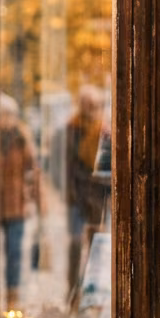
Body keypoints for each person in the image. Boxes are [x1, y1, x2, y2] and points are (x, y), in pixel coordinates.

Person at [0, 94, 40, 307]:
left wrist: (35, 201)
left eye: (10, 115)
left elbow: (33, 171)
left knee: (14, 252)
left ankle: (12, 298)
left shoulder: (22, 138)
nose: (7, 119)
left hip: (16, 204)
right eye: (3, 115)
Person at [64, 85, 106, 294]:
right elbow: (67, 165)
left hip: (97, 196)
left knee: (96, 243)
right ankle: (73, 289)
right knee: (75, 243)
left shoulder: (103, 130)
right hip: (77, 195)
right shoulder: (72, 128)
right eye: (89, 104)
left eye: (96, 105)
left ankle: (92, 292)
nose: (92, 109)